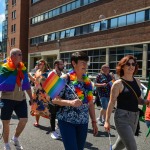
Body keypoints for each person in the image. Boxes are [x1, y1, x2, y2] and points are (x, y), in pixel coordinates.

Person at [52, 52, 98, 150]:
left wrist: (94, 121)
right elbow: (54, 99)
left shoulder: (88, 81)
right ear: (74, 63)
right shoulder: (65, 78)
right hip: (66, 121)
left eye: (86, 62)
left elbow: (90, 103)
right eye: (82, 62)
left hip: (83, 122)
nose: (85, 65)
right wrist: (70, 103)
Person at [104, 55, 150, 150]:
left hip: (134, 117)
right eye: (128, 64)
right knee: (132, 147)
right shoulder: (118, 84)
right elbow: (111, 103)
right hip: (122, 118)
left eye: (133, 64)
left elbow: (139, 100)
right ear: (122, 66)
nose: (131, 66)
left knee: (120, 145)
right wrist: (107, 121)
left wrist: (147, 101)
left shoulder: (137, 81)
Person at [0, 48, 33, 150]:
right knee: (6, 122)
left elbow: (27, 85)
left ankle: (15, 138)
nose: (21, 56)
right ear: (13, 56)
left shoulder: (22, 69)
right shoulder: (4, 68)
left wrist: (32, 98)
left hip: (21, 99)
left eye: (21, 54)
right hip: (6, 99)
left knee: (24, 120)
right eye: (19, 54)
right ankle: (6, 144)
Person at [28, 59, 50, 126]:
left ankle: (53, 124)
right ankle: (37, 122)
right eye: (38, 64)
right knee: (36, 107)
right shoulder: (37, 71)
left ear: (44, 64)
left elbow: (50, 83)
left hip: (44, 93)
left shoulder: (48, 72)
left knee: (47, 108)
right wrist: (29, 75)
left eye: (40, 64)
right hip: (36, 93)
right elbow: (34, 80)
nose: (39, 65)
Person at [48, 59, 64, 140]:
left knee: (61, 114)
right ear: (56, 65)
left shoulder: (63, 74)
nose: (63, 65)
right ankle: (53, 131)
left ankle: (58, 128)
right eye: (61, 64)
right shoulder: (52, 73)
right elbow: (49, 87)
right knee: (53, 115)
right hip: (53, 97)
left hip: (61, 98)